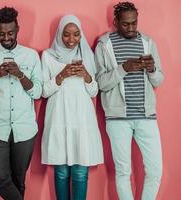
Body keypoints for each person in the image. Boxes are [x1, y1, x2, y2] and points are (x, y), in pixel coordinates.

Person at [95, 2, 164, 200]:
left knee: (155, 171)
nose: (132, 28)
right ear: (116, 22)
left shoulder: (148, 42)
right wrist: (123, 68)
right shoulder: (104, 44)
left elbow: (159, 80)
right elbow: (101, 83)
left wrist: (152, 69)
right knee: (123, 172)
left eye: (134, 23)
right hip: (117, 118)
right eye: (126, 24)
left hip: (147, 116)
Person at [0, 7, 42, 200]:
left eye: (10, 33)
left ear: (18, 29)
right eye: (1, 33)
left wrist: (20, 74)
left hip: (25, 128)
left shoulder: (31, 56)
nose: (6, 37)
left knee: (18, 180)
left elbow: (37, 92)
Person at [41, 15, 104, 200]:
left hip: (81, 119)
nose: (71, 40)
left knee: (80, 173)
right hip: (59, 118)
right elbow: (43, 91)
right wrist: (62, 75)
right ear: (59, 34)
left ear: (80, 35)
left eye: (76, 35)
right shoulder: (48, 56)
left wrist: (86, 75)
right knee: (61, 172)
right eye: (66, 35)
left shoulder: (87, 55)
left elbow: (93, 92)